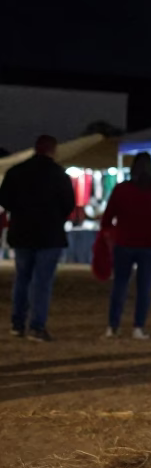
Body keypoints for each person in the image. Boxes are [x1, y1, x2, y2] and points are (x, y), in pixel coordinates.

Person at [0, 135, 76, 341]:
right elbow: (69, 204)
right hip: (49, 234)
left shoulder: (16, 172)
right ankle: (36, 326)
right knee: (42, 282)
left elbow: (4, 199)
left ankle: (17, 324)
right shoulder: (59, 175)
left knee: (22, 278)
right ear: (53, 150)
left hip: (22, 232)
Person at [100, 153, 151, 339]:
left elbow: (107, 217)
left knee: (120, 285)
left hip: (124, 241)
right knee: (144, 287)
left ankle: (112, 326)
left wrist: (108, 234)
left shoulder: (121, 190)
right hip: (150, 243)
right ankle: (138, 327)